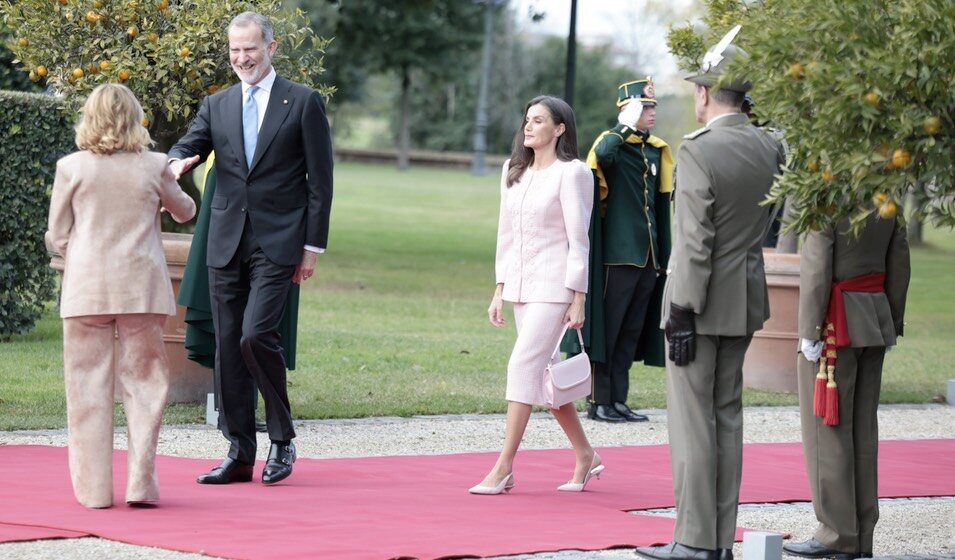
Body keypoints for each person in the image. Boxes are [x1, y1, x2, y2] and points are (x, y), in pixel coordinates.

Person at [635, 27, 786, 560]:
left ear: (704, 95)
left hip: (699, 302)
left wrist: (680, 308)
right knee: (726, 418)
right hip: (745, 297)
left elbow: (695, 242)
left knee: (693, 423)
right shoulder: (771, 145)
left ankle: (696, 541)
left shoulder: (699, 149)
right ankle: (717, 540)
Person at [168, 11, 333, 485]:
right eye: (235, 50)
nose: (242, 58)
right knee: (227, 347)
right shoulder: (216, 104)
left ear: (271, 48)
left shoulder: (303, 102)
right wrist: (177, 162)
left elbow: (320, 184)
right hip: (224, 241)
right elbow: (189, 143)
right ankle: (240, 453)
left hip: (279, 242)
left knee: (254, 337)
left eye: (251, 49)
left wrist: (312, 247)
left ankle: (282, 440)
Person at [46, 83, 196, 508]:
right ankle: (141, 485)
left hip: (86, 289)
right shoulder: (155, 165)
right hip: (141, 288)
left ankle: (94, 493)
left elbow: (57, 236)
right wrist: (171, 188)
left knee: (86, 388)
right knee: (145, 384)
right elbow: (185, 211)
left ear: (88, 118)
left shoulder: (71, 167)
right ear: (136, 119)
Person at [470, 95, 599, 495]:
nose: (529, 126)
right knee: (544, 381)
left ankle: (504, 466)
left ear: (559, 129)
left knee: (522, 366)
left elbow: (580, 241)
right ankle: (585, 455)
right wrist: (499, 289)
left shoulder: (573, 173)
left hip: (556, 288)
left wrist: (578, 296)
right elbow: (505, 237)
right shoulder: (514, 171)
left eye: (539, 120)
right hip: (522, 288)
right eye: (527, 119)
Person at [782, 212, 910, 560]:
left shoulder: (828, 194)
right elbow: (899, 257)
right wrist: (891, 317)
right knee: (863, 432)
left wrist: (809, 330)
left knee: (829, 432)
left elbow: (817, 264)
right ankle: (861, 533)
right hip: (874, 317)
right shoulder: (885, 191)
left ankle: (837, 535)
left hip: (835, 323)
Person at [578, 77, 673, 423]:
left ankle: (618, 399)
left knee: (631, 332)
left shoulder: (654, 149)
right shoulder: (613, 143)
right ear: (629, 110)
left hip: (647, 257)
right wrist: (623, 126)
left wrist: (664, 257)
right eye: (645, 107)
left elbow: (660, 206)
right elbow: (601, 157)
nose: (651, 113)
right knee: (610, 331)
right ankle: (598, 400)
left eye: (652, 107)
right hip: (617, 257)